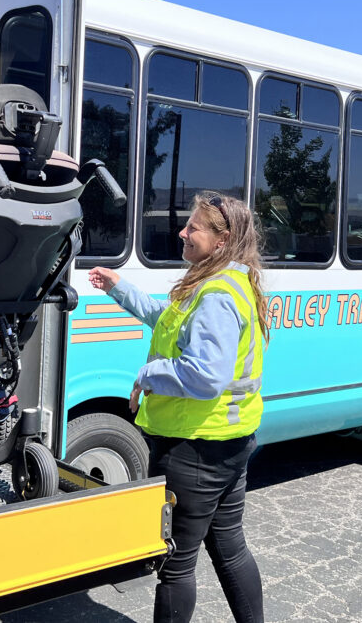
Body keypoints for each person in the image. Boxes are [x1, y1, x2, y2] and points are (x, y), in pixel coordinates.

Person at [88, 193, 268, 623]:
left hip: (194, 449)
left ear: (221, 241)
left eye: (194, 228)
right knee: (230, 548)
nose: (182, 232)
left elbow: (206, 376)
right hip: (227, 443)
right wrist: (119, 289)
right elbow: (167, 320)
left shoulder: (216, 295)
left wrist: (147, 374)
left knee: (175, 564)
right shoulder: (224, 282)